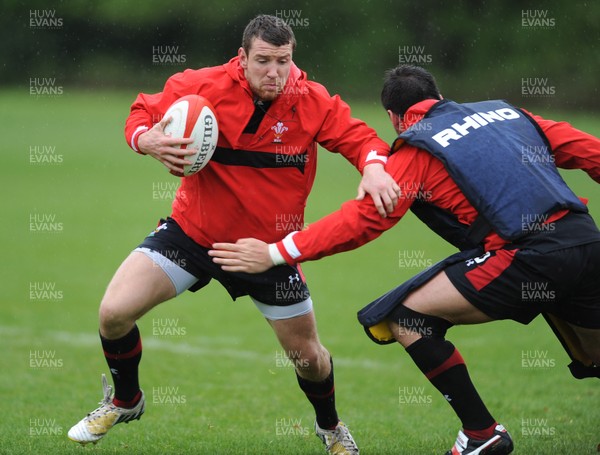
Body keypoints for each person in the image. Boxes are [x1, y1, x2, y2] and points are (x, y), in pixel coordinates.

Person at [209, 65, 600, 454]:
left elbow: (362, 221)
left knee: (406, 318)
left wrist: (276, 251)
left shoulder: (418, 145)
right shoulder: (509, 113)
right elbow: (589, 152)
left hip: (528, 256)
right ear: (440, 96)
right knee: (593, 355)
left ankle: (481, 433)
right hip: (587, 242)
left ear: (395, 118)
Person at [67, 15, 402, 454]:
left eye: (283, 61)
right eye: (263, 60)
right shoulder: (202, 85)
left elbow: (363, 140)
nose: (274, 72)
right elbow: (142, 110)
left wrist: (375, 168)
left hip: (268, 251)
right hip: (193, 233)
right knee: (113, 312)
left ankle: (331, 426)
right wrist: (144, 139)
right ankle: (127, 400)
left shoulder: (312, 101)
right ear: (242, 57)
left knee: (310, 359)